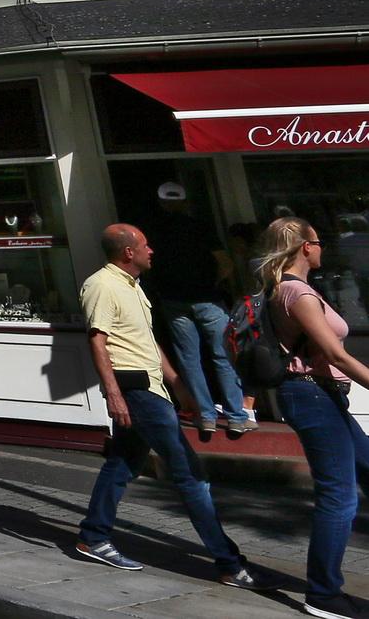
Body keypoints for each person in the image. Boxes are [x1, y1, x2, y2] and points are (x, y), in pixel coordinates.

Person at [73, 223, 257, 587]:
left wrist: (176, 382)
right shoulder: (102, 285)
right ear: (128, 252)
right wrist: (113, 395)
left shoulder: (132, 286)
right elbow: (98, 341)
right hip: (136, 389)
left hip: (152, 387)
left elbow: (147, 340)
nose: (151, 250)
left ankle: (94, 536)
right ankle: (229, 562)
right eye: (145, 244)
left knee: (122, 464)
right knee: (191, 475)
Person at [258, 217, 369, 619]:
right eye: (319, 241)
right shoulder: (295, 293)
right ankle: (323, 593)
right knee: (339, 497)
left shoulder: (291, 289)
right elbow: (336, 355)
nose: (323, 247)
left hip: (322, 395)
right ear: (306, 246)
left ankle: (325, 587)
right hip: (311, 396)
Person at [146, 182, 252, 436]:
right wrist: (213, 283)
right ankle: (236, 415)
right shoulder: (201, 227)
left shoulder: (154, 231)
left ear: (161, 203)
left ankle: (206, 415)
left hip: (174, 301)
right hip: (208, 299)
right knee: (223, 356)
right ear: (185, 202)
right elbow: (225, 263)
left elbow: (148, 265)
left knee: (189, 360)